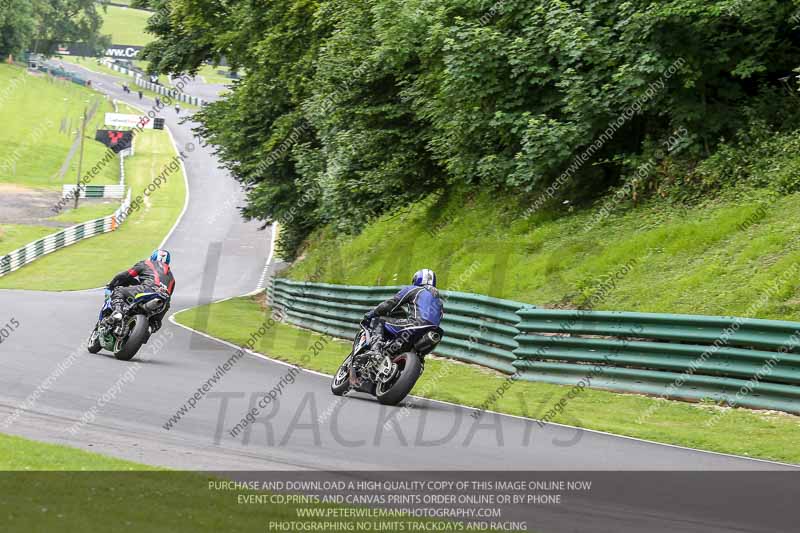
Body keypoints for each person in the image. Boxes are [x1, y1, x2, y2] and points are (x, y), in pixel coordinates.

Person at [356, 269, 444, 371]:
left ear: (417, 279)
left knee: (379, 320)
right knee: (419, 358)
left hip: (415, 325)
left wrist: (371, 314)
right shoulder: (439, 301)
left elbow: (391, 304)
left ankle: (375, 351)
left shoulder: (414, 289)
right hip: (432, 332)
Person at [105, 249, 176, 333]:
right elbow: (169, 296)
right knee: (164, 308)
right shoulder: (172, 278)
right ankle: (152, 327)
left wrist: (111, 284)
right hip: (163, 298)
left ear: (153, 256)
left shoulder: (146, 263)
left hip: (147, 289)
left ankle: (118, 312)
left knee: (119, 291)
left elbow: (126, 275)